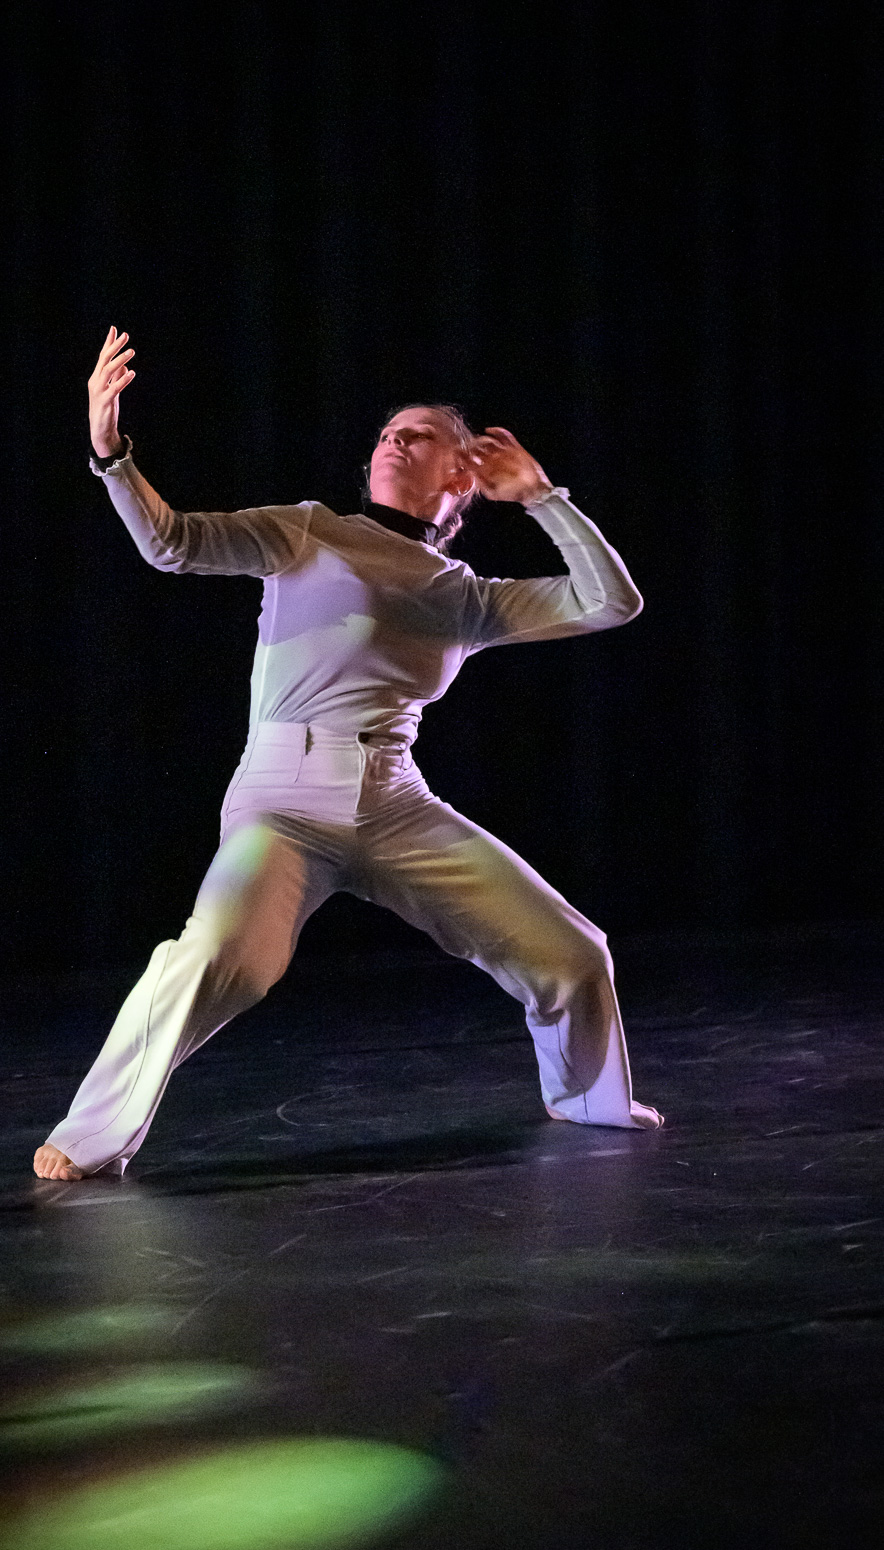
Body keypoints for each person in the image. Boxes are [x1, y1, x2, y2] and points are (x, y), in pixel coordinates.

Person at [33, 328, 661, 1180]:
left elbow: (611, 601)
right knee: (218, 957)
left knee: (573, 952)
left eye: (420, 433)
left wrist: (544, 497)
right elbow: (170, 540)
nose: (393, 440)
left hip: (396, 801)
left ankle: (587, 1096)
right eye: (385, 433)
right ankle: (89, 1135)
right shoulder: (308, 532)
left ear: (462, 473)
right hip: (284, 797)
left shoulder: (468, 597)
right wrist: (110, 451)